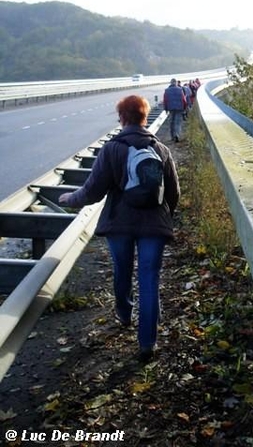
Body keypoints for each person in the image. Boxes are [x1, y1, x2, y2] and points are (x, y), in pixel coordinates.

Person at [59, 95, 180, 363]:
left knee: (122, 271)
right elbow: (173, 193)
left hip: (119, 224)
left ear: (122, 118)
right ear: (145, 117)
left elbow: (92, 191)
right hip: (154, 226)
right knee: (149, 280)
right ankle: (147, 344)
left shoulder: (112, 149)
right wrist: (164, 217)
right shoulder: (161, 149)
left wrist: (69, 200)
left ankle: (124, 314)